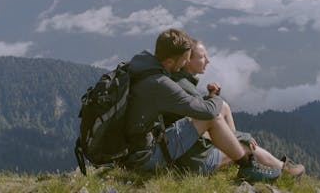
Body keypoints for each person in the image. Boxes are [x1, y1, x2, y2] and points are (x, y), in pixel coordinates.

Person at [124, 28, 281, 181]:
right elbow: (207, 113)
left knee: (213, 114)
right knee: (212, 116)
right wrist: (215, 97)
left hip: (137, 147)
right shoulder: (160, 83)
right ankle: (247, 166)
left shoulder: (143, 67)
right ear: (170, 61)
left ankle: (243, 160)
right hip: (146, 157)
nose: (186, 62)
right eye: (185, 59)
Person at [172, 38, 305, 177]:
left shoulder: (180, 82)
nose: (207, 60)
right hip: (195, 162)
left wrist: (212, 96)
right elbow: (205, 121)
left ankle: (236, 155)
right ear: (186, 60)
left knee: (222, 106)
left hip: (186, 151)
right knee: (248, 146)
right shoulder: (185, 88)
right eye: (202, 57)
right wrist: (243, 137)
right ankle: (285, 171)